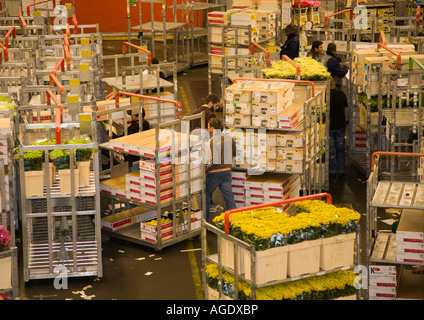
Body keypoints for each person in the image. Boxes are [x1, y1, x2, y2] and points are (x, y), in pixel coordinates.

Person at [205, 118, 236, 221]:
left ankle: (205, 222)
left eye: (208, 126)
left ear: (212, 128)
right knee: (229, 198)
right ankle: (233, 220)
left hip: (214, 174)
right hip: (227, 171)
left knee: (206, 197)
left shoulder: (212, 141)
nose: (207, 128)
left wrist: (206, 169)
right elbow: (234, 153)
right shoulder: (230, 138)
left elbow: (213, 160)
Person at [329, 77, 348, 177]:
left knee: (330, 149)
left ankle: (332, 170)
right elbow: (345, 110)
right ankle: (341, 170)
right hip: (341, 125)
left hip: (329, 126)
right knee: (340, 149)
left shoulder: (325, 96)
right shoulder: (341, 94)